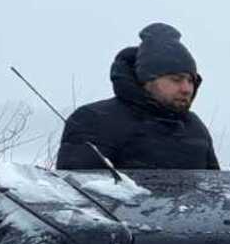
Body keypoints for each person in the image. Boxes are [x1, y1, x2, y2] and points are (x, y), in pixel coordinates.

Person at [56, 23, 220, 171]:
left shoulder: (195, 128)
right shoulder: (93, 120)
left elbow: (216, 194)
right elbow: (78, 194)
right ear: (147, 80)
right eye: (175, 80)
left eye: (190, 80)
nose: (186, 89)